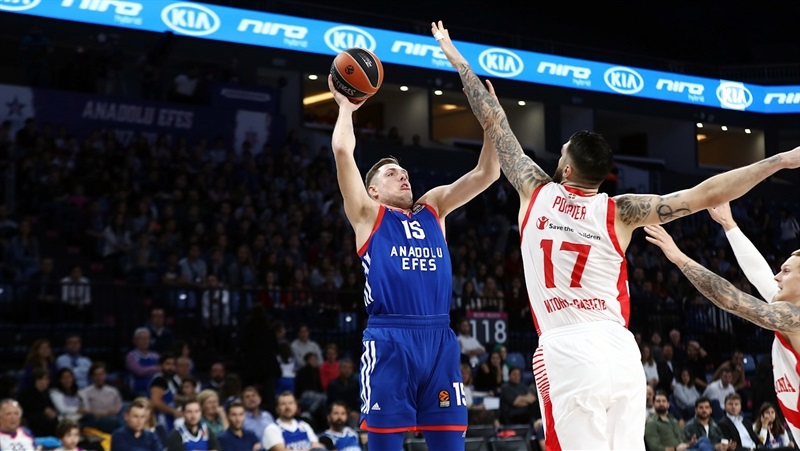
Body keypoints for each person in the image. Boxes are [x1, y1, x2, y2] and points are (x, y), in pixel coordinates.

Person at [431, 19, 800, 450]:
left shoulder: (535, 190)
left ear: (567, 167)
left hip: (567, 348)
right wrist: (779, 160)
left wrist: (459, 61)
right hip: (620, 351)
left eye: (562, 151)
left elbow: (494, 120)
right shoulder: (620, 211)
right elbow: (706, 193)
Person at [328, 61, 500, 450]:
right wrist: (345, 106)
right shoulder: (367, 214)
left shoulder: (433, 207)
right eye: (392, 174)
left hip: (439, 341)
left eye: (404, 171)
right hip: (390, 340)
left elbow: (487, 173)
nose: (403, 175)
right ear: (372, 190)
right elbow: (341, 149)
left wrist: (492, 124)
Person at [644, 201, 800, 441]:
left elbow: (731, 299)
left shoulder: (793, 318)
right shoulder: (788, 310)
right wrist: (729, 225)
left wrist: (679, 258)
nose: (776, 277)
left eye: (786, 272)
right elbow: (759, 273)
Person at [79, 362, 123, 434]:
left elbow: (119, 408)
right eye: (96, 375)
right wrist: (104, 413)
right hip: (96, 421)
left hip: (114, 419)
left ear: (105, 375)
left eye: (101, 374)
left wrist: (114, 411)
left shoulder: (113, 391)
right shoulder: (85, 393)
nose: (99, 377)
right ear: (92, 377)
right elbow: (86, 412)